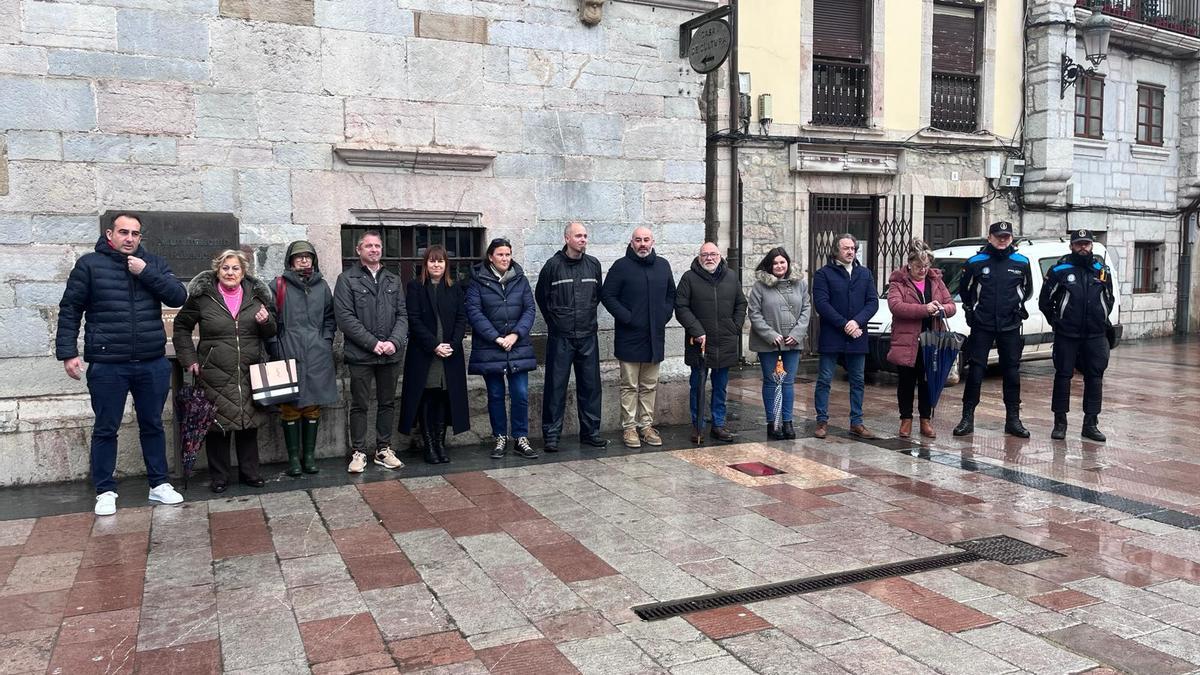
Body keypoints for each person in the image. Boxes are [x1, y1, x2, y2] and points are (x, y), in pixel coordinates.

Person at [56, 213, 187, 516]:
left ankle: (159, 484)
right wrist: (68, 352)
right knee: (106, 428)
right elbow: (71, 308)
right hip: (107, 363)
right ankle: (105, 489)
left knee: (152, 424)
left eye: (135, 234)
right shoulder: (89, 265)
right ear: (110, 234)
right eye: (124, 232)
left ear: (141, 237)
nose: (130, 238)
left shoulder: (152, 263)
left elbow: (178, 296)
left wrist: (146, 273)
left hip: (151, 361)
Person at [173, 250, 276, 493]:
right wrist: (189, 358)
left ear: (243, 272)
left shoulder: (256, 297)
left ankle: (250, 473)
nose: (230, 273)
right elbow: (181, 327)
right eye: (225, 268)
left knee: (248, 423)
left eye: (235, 268)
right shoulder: (202, 297)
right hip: (214, 370)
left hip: (249, 370)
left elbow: (271, 332)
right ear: (217, 270)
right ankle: (219, 476)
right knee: (217, 425)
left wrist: (266, 322)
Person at [333, 231, 408, 474]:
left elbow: (402, 315)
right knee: (360, 404)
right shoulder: (347, 279)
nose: (374, 250)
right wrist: (372, 343)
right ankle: (358, 452)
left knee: (387, 402)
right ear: (359, 250)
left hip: (390, 355)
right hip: (361, 356)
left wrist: (394, 342)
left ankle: (383, 449)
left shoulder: (392, 279)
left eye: (377, 246)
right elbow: (345, 318)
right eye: (369, 246)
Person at [952, 221, 1034, 438]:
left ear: (1011, 238)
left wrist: (1016, 309)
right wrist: (973, 312)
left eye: (1006, 236)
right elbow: (965, 291)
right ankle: (967, 418)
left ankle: (1013, 420)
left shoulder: (1022, 262)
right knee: (976, 372)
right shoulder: (975, 262)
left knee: (1012, 372)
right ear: (989, 237)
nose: (1002, 240)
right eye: (998, 236)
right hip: (983, 325)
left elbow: (1026, 290)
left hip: (1010, 325)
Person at [600, 226, 676, 449]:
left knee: (649, 385)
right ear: (631, 242)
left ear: (652, 242)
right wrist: (627, 317)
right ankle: (629, 428)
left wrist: (664, 315)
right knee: (630, 385)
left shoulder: (663, 265)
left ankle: (646, 426)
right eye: (638, 240)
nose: (642, 244)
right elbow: (608, 295)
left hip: (654, 336)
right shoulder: (621, 266)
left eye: (646, 240)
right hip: (629, 336)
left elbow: (671, 293)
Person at [535, 222, 608, 452]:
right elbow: (541, 297)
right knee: (555, 387)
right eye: (578, 236)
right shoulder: (552, 266)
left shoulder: (593, 265)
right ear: (567, 238)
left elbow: (596, 296)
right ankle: (552, 435)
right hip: (561, 337)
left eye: (585, 235)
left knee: (591, 386)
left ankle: (590, 432)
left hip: (587, 335)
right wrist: (556, 322)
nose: (583, 239)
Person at [1038, 228, 1115, 442]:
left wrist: (1101, 317)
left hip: (1095, 334)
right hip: (1067, 334)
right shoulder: (1059, 270)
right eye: (1079, 244)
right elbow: (1045, 302)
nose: (1083, 247)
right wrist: (1057, 321)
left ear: (1091, 246)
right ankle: (1060, 423)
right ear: (1071, 246)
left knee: (1095, 377)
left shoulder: (1102, 270)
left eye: (1086, 244)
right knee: (1063, 376)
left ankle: (1091, 424)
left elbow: (1109, 299)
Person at [465, 238, 538, 460]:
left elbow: (529, 309)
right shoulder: (477, 281)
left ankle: (520, 437)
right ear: (490, 257)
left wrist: (515, 334)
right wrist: (497, 338)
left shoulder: (520, 280)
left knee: (521, 393)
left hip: (518, 345)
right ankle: (500, 437)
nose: (505, 259)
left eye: (508, 254)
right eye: (500, 255)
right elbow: (474, 312)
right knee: (495, 394)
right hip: (491, 348)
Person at [397, 246, 470, 463]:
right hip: (425, 354)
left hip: (449, 355)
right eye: (432, 261)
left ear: (446, 264)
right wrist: (434, 345)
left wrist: (452, 345)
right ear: (425, 264)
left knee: (443, 398)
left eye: (440, 261)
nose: (436, 265)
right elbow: (414, 320)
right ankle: (429, 445)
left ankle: (440, 444)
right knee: (427, 397)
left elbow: (461, 319)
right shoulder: (415, 287)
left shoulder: (455, 288)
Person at [271, 241, 336, 476]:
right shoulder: (278, 285)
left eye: (308, 257)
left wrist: (326, 340)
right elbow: (269, 320)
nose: (304, 261)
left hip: (317, 353)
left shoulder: (322, 287)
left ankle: (309, 457)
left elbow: (330, 317)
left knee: (312, 406)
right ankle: (293, 460)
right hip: (288, 350)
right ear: (290, 260)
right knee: (290, 406)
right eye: (299, 257)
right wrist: (275, 348)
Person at [675, 242, 747, 445]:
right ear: (699, 257)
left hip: (724, 340)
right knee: (697, 385)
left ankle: (719, 424)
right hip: (699, 343)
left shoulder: (731, 277)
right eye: (705, 254)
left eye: (713, 254)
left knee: (721, 386)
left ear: (720, 255)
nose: (709, 258)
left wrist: (736, 326)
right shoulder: (689, 278)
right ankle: (698, 425)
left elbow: (741, 303)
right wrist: (696, 330)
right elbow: (681, 306)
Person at [886, 240, 957, 439]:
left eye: (926, 266)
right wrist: (924, 309)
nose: (923, 270)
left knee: (928, 382)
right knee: (906, 383)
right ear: (909, 264)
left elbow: (951, 305)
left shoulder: (936, 281)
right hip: (907, 341)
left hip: (931, 340)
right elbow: (896, 307)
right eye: (919, 266)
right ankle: (906, 420)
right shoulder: (898, 282)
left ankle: (925, 420)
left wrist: (942, 309)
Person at [812, 234, 879, 439]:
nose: (851, 252)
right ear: (836, 250)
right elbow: (821, 303)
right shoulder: (823, 274)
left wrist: (856, 322)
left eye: (853, 248)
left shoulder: (865, 273)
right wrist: (844, 324)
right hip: (832, 335)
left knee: (858, 379)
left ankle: (856, 422)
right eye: (846, 248)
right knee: (825, 379)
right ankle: (822, 420)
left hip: (857, 334)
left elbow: (872, 302)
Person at [747, 247, 811, 440]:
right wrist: (770, 335)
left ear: (788, 264)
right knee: (771, 381)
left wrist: (797, 333)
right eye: (775, 263)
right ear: (769, 265)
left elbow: (806, 308)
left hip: (792, 342)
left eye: (782, 262)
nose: (779, 266)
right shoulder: (760, 287)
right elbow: (754, 313)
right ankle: (772, 423)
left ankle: (788, 422)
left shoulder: (801, 284)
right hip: (769, 343)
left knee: (788, 383)